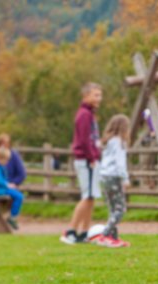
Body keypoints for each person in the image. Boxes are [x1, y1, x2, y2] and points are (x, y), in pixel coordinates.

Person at [61, 82, 103, 245]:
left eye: (100, 95)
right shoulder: (84, 114)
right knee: (87, 196)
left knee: (91, 197)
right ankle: (70, 230)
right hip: (86, 160)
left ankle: (84, 232)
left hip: (90, 159)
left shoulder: (90, 114)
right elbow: (84, 140)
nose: (99, 98)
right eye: (95, 95)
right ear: (86, 96)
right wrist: (92, 158)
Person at [94, 114, 131, 248]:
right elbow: (120, 163)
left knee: (112, 209)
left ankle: (113, 238)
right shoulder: (120, 142)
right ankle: (104, 235)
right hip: (114, 177)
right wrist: (125, 179)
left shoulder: (108, 141)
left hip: (104, 177)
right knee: (120, 209)